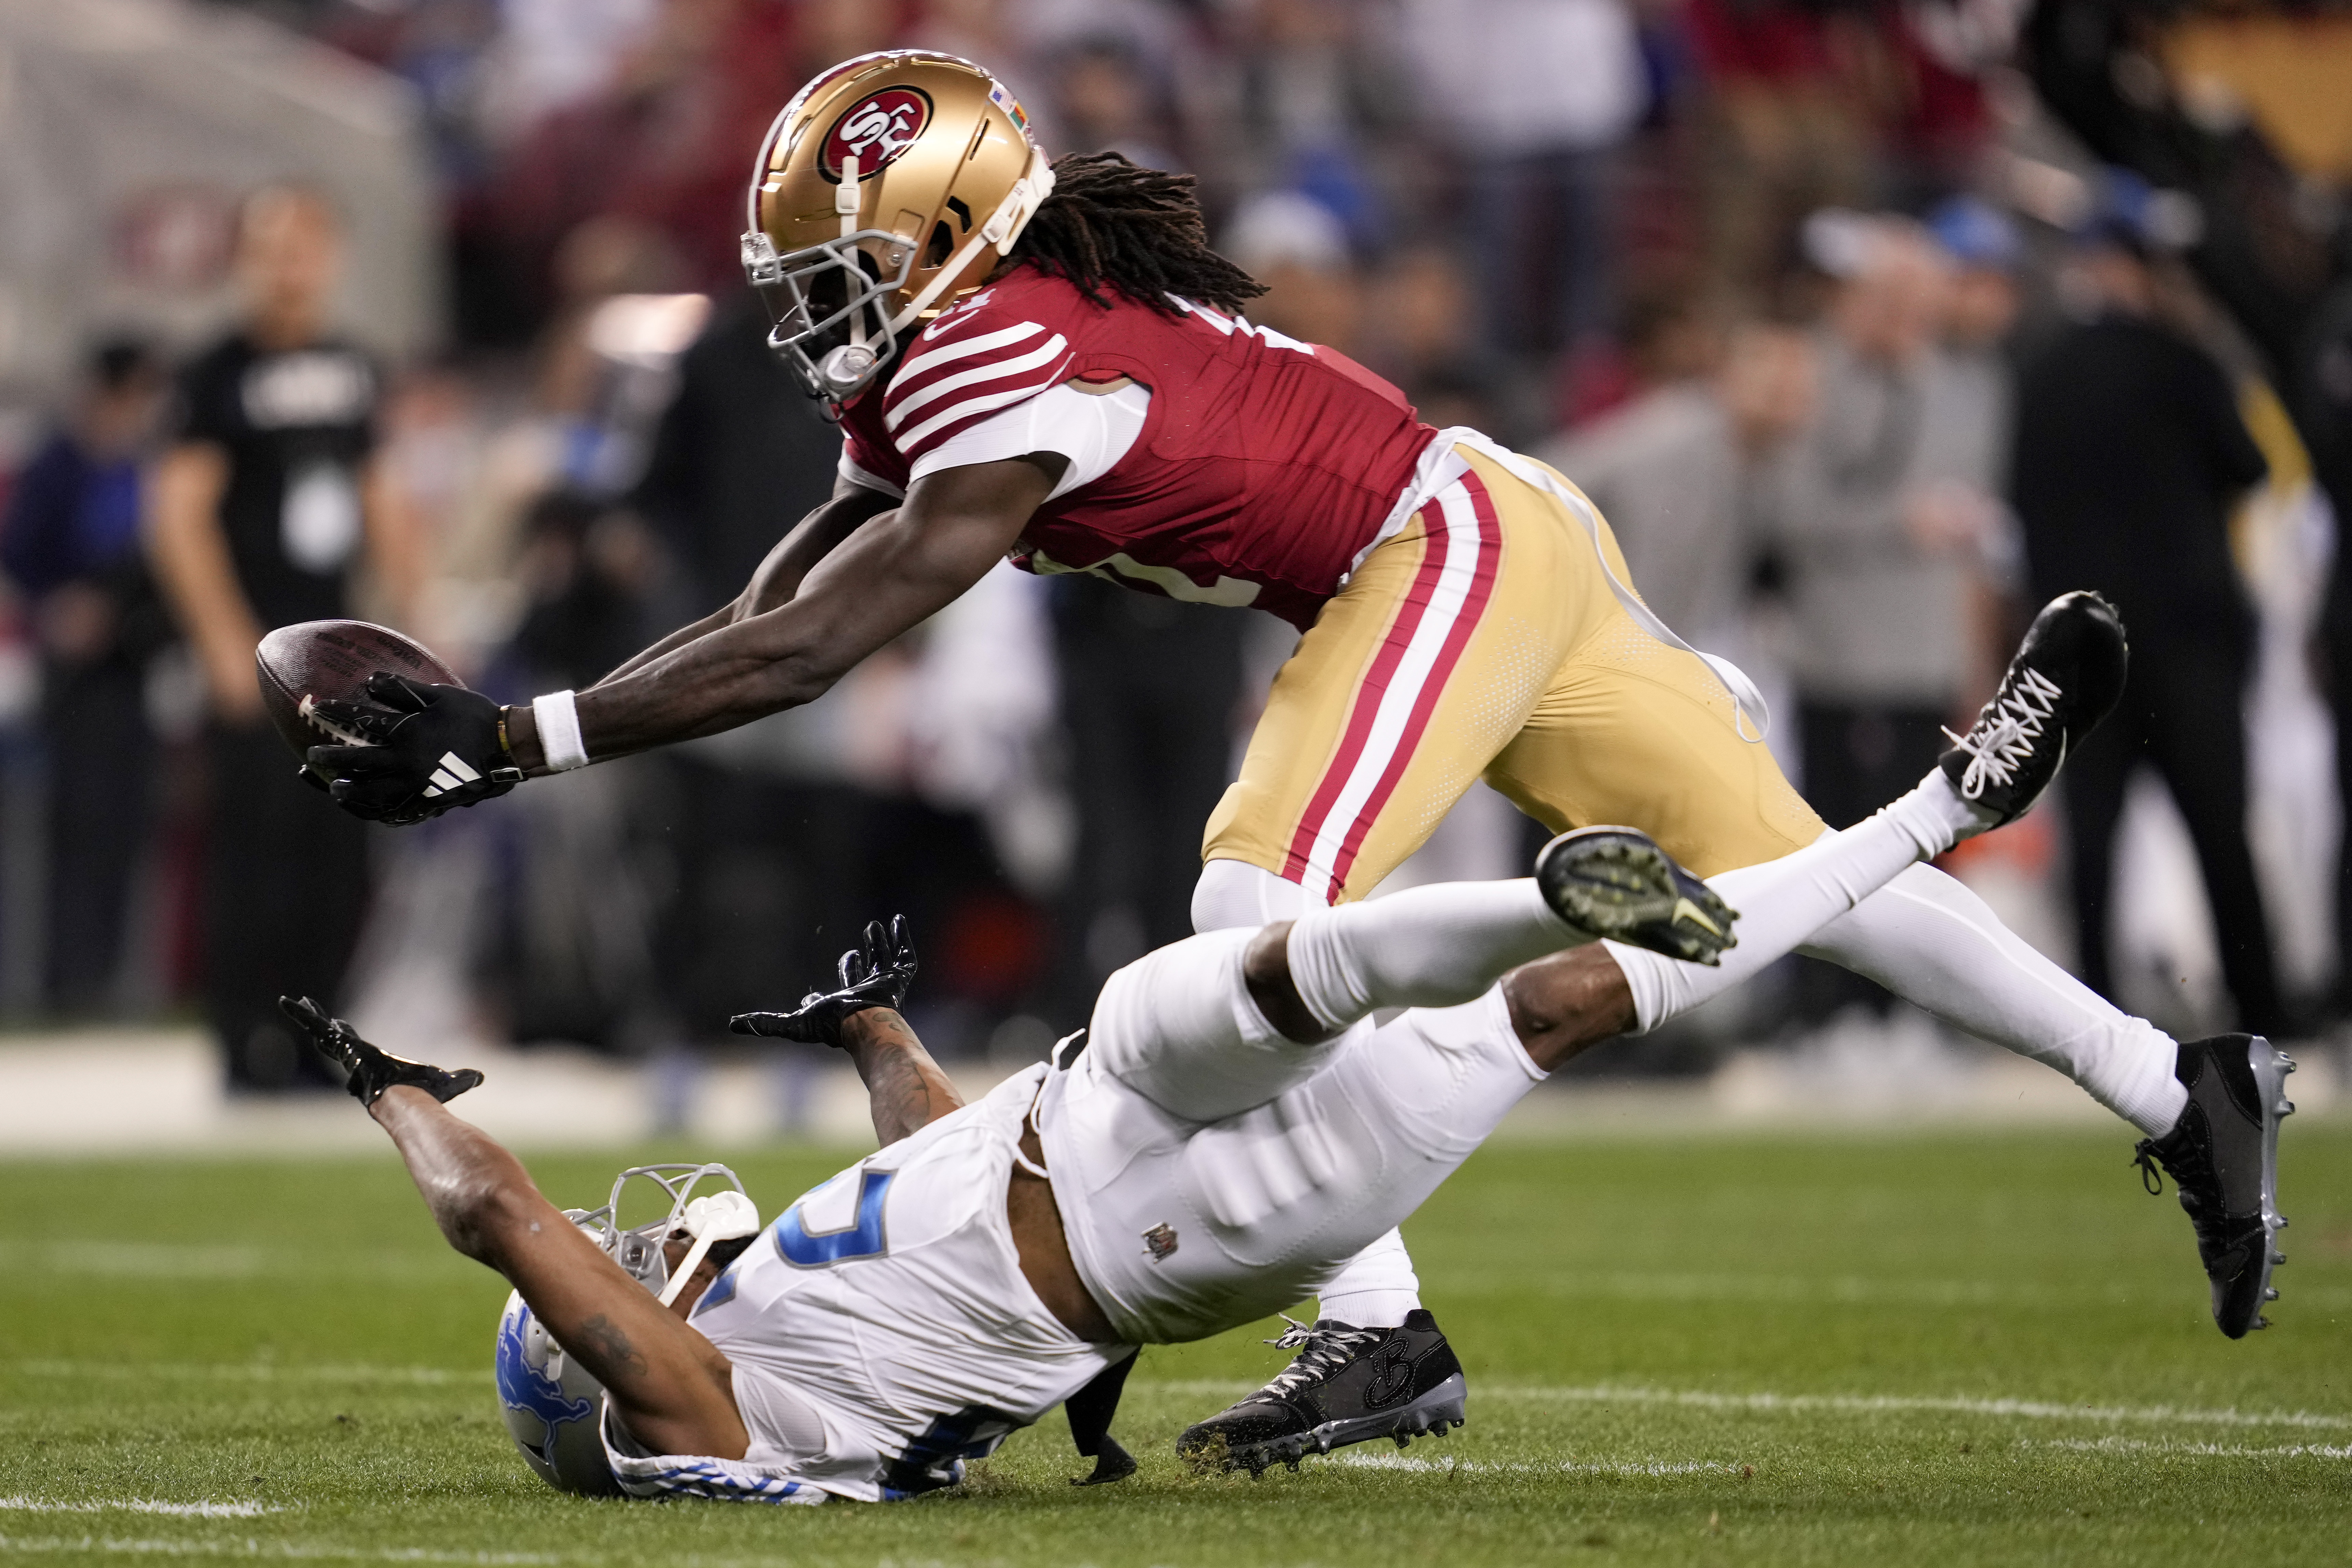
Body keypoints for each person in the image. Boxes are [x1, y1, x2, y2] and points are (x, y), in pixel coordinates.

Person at [300, 53, 2284, 1459]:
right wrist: (504, 728)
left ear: (956, 238)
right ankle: (2170, 1072)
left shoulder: (1000, 359)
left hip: (1443, 548)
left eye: (852, 271)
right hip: (1494, 530)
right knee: (1790, 875)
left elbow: (816, 650)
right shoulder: (946, 350)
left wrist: (513, 736)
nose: (822, 312)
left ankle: (1377, 1322)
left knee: (1253, 902)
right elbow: (771, 599)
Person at [287, 603, 2294, 1499]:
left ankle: (1645, 872)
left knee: (1246, 968)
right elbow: (505, 1227)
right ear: (599, 1376)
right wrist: (391, 1095)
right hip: (1169, 1249)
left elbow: (933, 1187)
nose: (638, 1263)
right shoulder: (681, 1427)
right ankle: (1918, 830)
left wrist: (875, 1039)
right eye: (615, 1296)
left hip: (1083, 1139)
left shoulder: (760, 1336)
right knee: (1538, 1012)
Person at [145, 185, 427, 1091]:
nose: (289, 264)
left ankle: (319, 1037)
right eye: (270, 247)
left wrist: (419, 628)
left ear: (332, 256)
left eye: (306, 245)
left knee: (335, 853)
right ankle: (241, 1041)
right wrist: (227, 642)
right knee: (250, 852)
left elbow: (381, 501)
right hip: (260, 657)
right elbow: (178, 516)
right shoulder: (215, 372)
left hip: (339, 660)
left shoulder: (353, 366)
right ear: (243, 262)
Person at [2011, 204, 2286, 1037]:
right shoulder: (2180, 358)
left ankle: (2089, 1012)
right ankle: (2259, 1007)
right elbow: (2250, 464)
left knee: (2093, 841)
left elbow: (2019, 502)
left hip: (2081, 649)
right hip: (2186, 641)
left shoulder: (2042, 369)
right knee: (2219, 833)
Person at [0, 338, 173, 1011]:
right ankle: (65, 981)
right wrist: (56, 608)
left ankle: (115, 977)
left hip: (134, 667)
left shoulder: (151, 468)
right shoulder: (58, 465)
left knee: (127, 825)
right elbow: (20, 551)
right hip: (74, 678)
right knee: (73, 823)